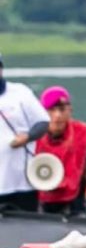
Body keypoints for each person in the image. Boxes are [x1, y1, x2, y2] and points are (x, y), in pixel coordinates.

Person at [17, 88, 86, 218]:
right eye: (51, 110)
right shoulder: (30, 136)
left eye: (62, 109)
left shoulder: (85, 133)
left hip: (75, 202)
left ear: (70, 110)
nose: (57, 115)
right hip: (38, 202)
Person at [0, 57, 43, 218]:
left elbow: (42, 122)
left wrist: (28, 137)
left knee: (27, 230)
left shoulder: (20, 92)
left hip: (21, 183)